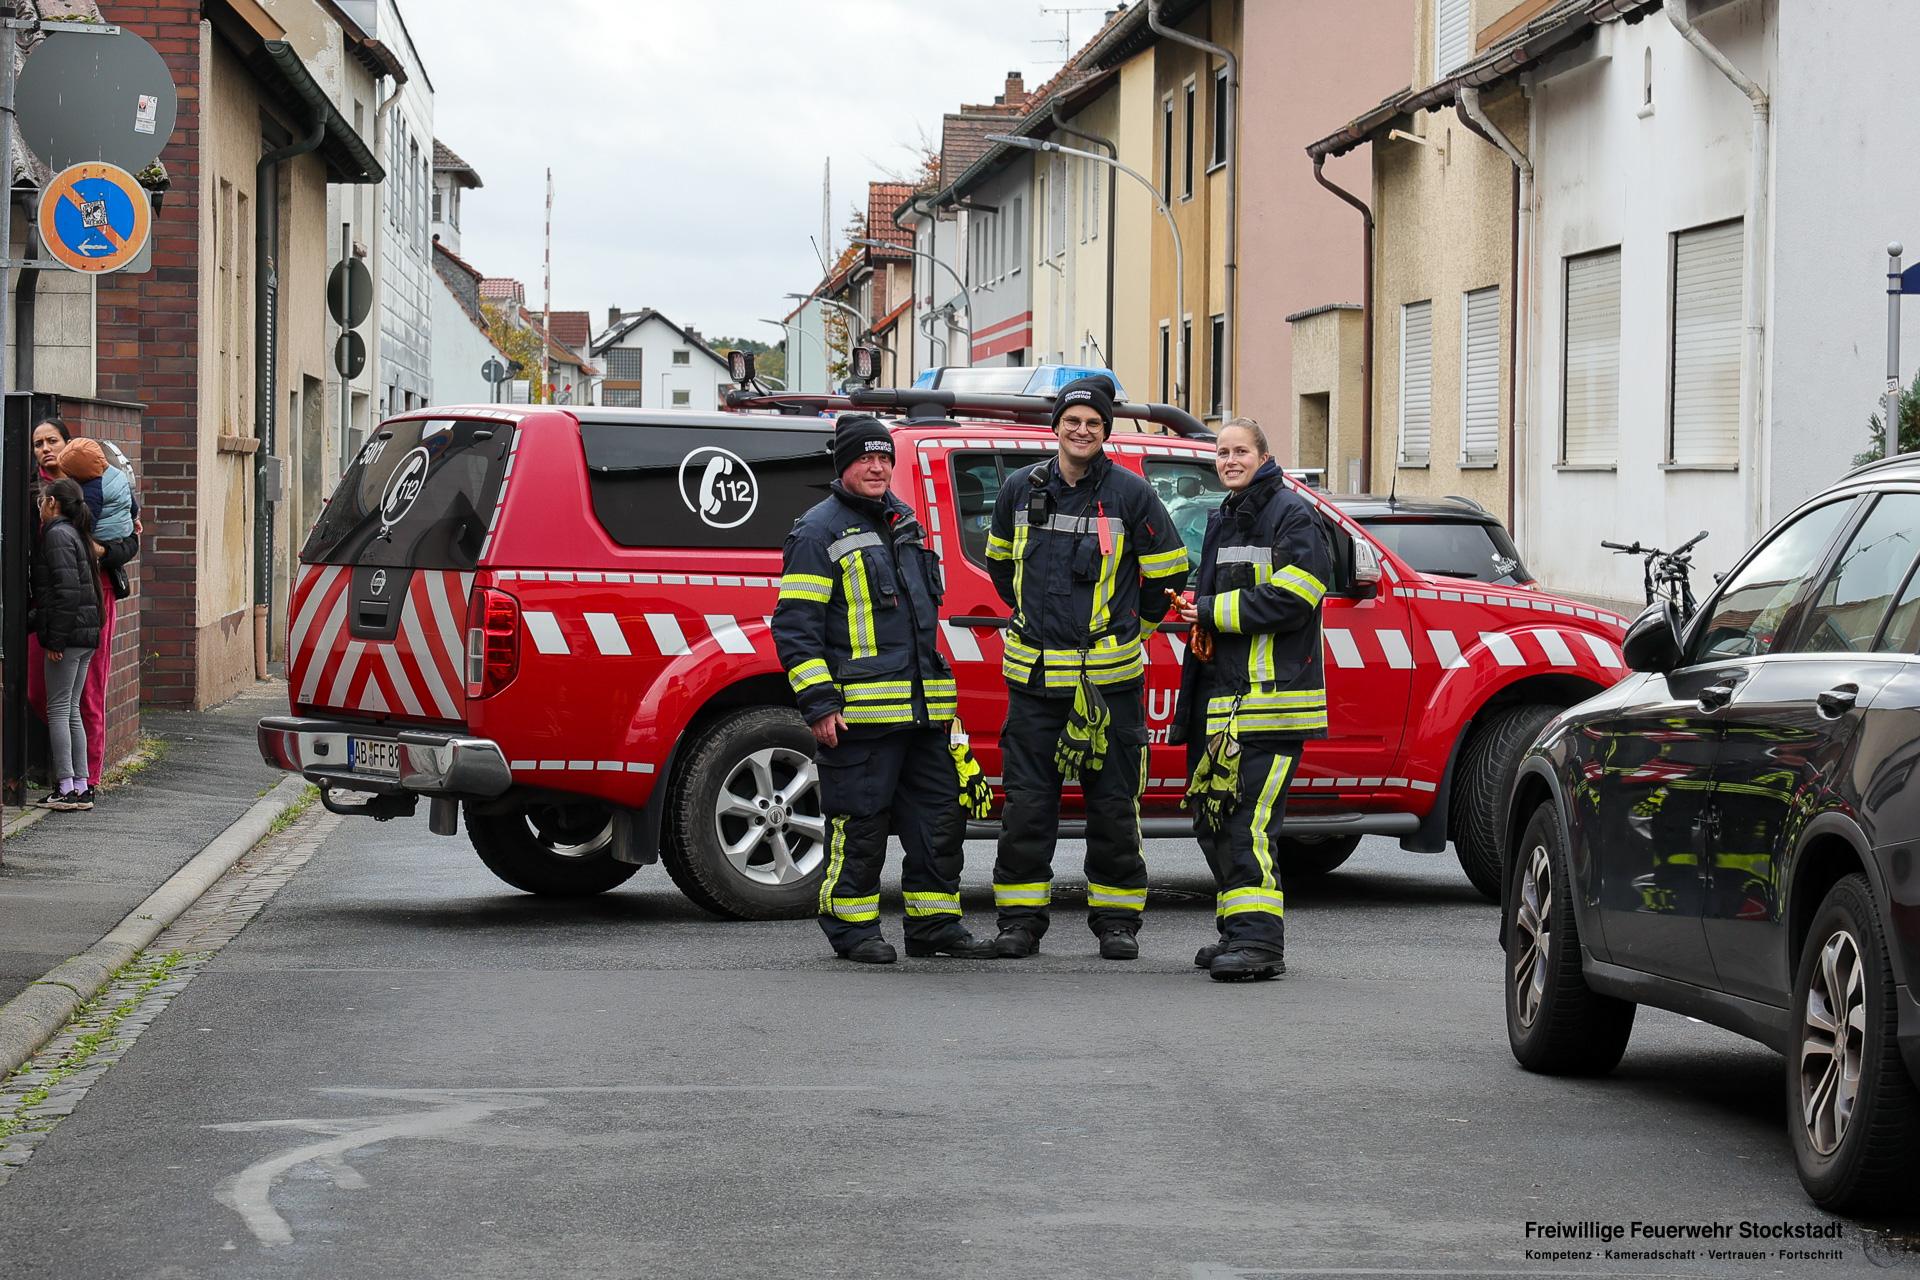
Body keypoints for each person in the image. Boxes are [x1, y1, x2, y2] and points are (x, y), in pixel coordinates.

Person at [772, 414, 996, 964]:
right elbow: (796, 628)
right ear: (843, 465)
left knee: (939, 821)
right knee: (861, 825)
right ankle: (853, 931)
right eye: (864, 458)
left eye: (884, 458)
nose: (877, 467)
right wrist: (820, 704)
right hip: (861, 715)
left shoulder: (905, 522)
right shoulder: (817, 531)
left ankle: (934, 926)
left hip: (924, 715)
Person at [982, 376, 1189, 959]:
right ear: (1056, 427)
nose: (1082, 431)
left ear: (1105, 432)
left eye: (1093, 424)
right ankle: (1019, 922)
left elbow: (1169, 575)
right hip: (1034, 682)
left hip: (1109, 683)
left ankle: (1117, 921)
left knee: (1114, 804)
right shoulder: (1020, 489)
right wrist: (1036, 616)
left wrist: (1133, 628)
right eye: (1073, 421)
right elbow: (1002, 571)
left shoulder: (1131, 494)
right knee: (1027, 805)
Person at [1171, 418, 1332, 982]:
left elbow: (1298, 594)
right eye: (1223, 452)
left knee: (1248, 824)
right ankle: (1236, 932)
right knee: (1214, 820)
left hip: (1270, 705)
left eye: (1241, 450)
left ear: (1264, 455)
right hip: (1226, 704)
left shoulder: (1291, 513)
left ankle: (1261, 944)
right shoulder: (1226, 515)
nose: (1230, 459)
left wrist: (1212, 611)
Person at [28, 416, 138, 793]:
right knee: (39, 691)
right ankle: (68, 772)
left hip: (93, 594)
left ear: (68, 444)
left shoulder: (94, 489)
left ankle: (85, 778)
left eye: (52, 441)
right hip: (47, 605)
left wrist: (103, 550)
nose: (45, 449)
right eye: (38, 444)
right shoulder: (31, 495)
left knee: (87, 691)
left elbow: (129, 540)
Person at [30, 479, 105, 811]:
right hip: (85, 635)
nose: (39, 505)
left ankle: (65, 787)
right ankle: (80, 785)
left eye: (41, 500)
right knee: (71, 709)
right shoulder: (75, 534)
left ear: (52, 504)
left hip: (69, 637)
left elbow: (67, 590)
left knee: (59, 709)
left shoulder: (57, 535)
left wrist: (55, 638)